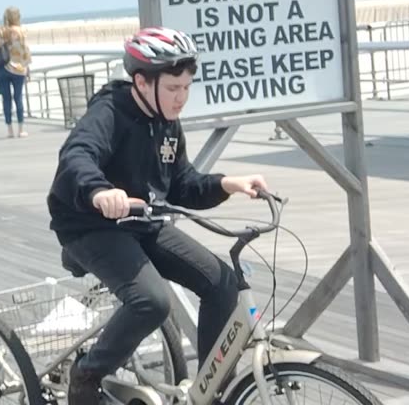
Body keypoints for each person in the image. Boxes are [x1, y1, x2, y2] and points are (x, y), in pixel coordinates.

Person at [47, 26, 270, 405]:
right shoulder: (110, 110)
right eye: (172, 88)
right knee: (152, 301)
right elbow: (77, 156)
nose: (181, 98)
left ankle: (207, 392)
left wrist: (228, 183)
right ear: (141, 81)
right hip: (90, 227)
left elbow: (181, 185)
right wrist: (100, 192)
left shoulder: (166, 121)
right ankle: (86, 376)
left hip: (141, 223)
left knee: (223, 284)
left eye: (186, 88)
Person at [0, 6, 32, 138]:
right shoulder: (21, 32)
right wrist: (27, 67)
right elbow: (25, 51)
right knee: (18, 98)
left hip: (2, 68)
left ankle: (9, 130)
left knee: (6, 99)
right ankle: (20, 129)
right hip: (18, 70)